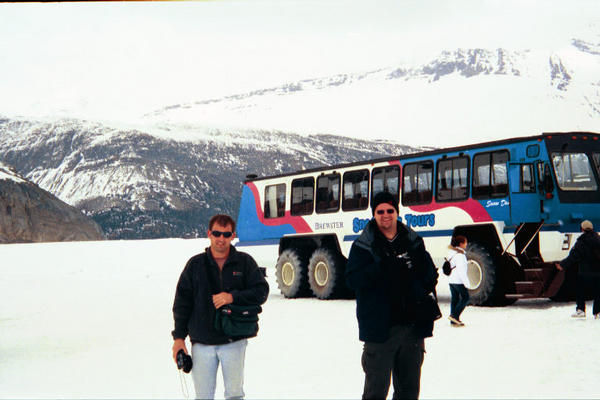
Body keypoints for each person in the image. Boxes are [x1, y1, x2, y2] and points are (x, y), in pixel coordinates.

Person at [346, 191, 438, 400]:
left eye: (390, 210)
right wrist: (381, 269)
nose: (385, 215)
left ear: (397, 212)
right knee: (375, 392)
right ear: (374, 214)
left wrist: (425, 278)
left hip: (413, 328)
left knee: (409, 391)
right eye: (380, 211)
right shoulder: (363, 246)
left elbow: (428, 273)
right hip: (381, 331)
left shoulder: (413, 241)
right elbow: (352, 280)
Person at [171, 214, 269, 399]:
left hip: (234, 342)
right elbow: (182, 303)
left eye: (226, 234)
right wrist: (178, 338)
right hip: (202, 343)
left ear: (233, 236)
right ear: (209, 234)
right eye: (217, 233)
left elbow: (261, 291)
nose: (221, 239)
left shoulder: (245, 262)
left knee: (234, 395)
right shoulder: (195, 265)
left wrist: (232, 297)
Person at [555, 220, 600, 319]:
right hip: (597, 271)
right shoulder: (598, 239)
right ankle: (597, 312)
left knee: (580, 290)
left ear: (582, 229)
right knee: (598, 291)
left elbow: (574, 256)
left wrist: (562, 265)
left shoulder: (581, 242)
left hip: (585, 272)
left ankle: (580, 310)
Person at [446, 235, 470, 327]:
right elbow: (461, 270)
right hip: (458, 281)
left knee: (455, 299)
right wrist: (466, 283)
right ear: (461, 244)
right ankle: (454, 316)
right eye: (465, 242)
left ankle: (453, 320)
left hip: (451, 280)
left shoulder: (451, 253)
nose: (466, 244)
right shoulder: (460, 256)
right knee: (465, 298)